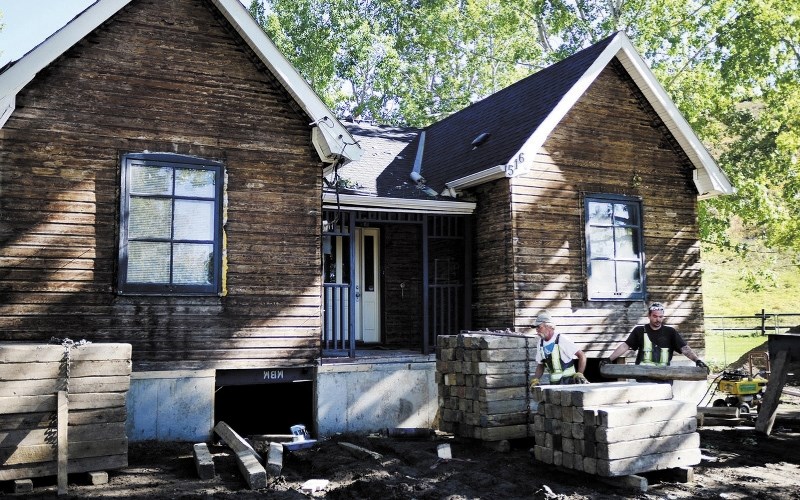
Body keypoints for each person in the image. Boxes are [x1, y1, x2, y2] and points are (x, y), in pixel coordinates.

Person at [600, 302, 708, 373]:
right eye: (655, 316)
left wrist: (697, 360)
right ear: (649, 316)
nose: (658, 319)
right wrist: (609, 359)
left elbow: (684, 348)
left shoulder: (670, 332)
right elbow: (625, 346)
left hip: (665, 375)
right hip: (642, 375)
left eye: (660, 317)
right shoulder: (639, 331)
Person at [529, 311, 589, 387]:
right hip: (554, 385)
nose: (537, 330)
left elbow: (582, 355)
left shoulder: (561, 339)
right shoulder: (540, 344)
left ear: (549, 326)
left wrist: (580, 374)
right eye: (536, 328)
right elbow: (540, 365)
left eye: (539, 327)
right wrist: (535, 379)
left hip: (570, 384)